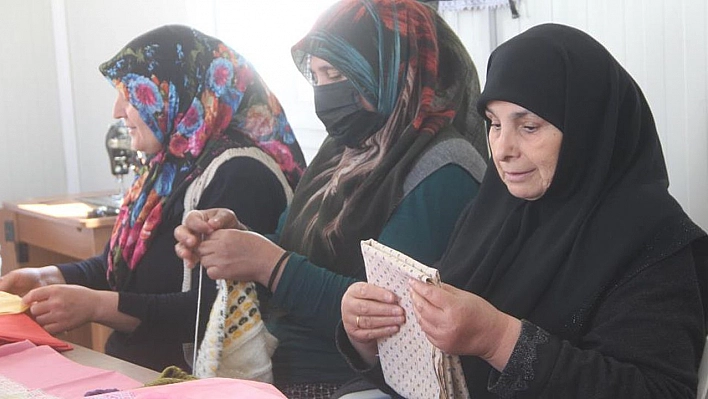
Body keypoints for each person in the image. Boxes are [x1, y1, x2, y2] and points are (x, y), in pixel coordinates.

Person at [338, 23, 708, 398]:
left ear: (586, 128)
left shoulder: (654, 240)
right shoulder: (495, 209)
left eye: (529, 126)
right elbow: (438, 362)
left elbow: (660, 391)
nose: (502, 148)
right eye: (494, 125)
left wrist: (498, 339)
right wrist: (372, 335)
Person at [174, 0, 488, 396]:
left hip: (345, 384)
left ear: (390, 69)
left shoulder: (443, 169)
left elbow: (391, 316)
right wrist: (237, 242)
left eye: (336, 73)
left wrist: (270, 266)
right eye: (318, 77)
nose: (324, 93)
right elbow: (297, 247)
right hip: (282, 370)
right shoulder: (346, 148)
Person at [0, 25, 306, 372]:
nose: (118, 111)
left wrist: (98, 307)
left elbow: (213, 311)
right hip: (140, 368)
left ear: (177, 93)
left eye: (131, 96)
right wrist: (46, 277)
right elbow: (120, 269)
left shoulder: (241, 174)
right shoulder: (170, 166)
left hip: (190, 382)